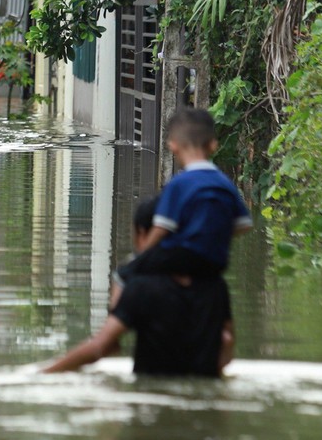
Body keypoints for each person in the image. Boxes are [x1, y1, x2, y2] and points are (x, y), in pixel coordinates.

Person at [43, 195, 235, 376]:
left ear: (143, 233)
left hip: (151, 399)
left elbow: (100, 347)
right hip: (203, 399)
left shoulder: (141, 288)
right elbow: (226, 345)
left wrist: (42, 374)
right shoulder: (216, 286)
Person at [113, 107, 252, 295]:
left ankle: (116, 319)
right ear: (213, 145)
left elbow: (162, 228)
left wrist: (141, 255)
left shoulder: (178, 184)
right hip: (216, 263)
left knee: (122, 275)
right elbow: (244, 225)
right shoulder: (225, 183)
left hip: (182, 260)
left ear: (173, 146)